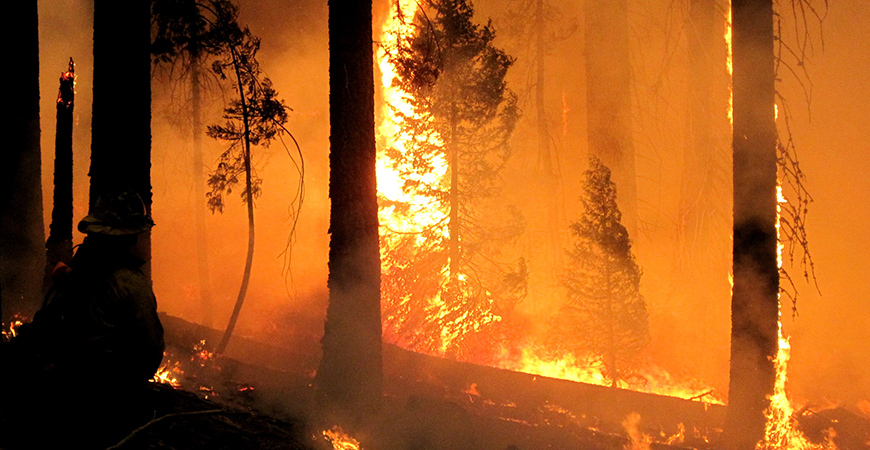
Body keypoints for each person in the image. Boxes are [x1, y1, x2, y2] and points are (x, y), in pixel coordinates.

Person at [0, 190, 164, 448]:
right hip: (99, 399)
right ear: (131, 237)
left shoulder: (79, 273)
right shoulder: (132, 284)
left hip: (61, 385)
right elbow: (150, 351)